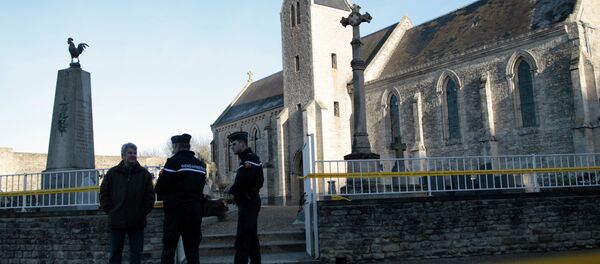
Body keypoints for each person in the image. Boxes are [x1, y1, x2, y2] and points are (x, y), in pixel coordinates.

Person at [100, 142, 155, 264]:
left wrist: (142, 212)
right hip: (117, 220)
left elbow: (150, 197)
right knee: (115, 253)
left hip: (137, 221)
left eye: (135, 153)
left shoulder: (144, 174)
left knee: (136, 254)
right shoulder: (112, 173)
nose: (133, 155)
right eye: (130, 153)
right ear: (123, 155)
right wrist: (111, 211)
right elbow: (104, 194)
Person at [155, 133, 206, 264]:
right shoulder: (200, 165)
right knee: (192, 250)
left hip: (176, 211)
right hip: (195, 211)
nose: (173, 150)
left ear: (177, 146)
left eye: (173, 147)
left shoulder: (173, 162)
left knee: (169, 248)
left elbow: (160, 188)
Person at [224, 131, 264, 264]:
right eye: (231, 145)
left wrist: (231, 189)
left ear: (242, 143)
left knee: (242, 238)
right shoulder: (247, 159)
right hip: (248, 201)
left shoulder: (249, 159)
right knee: (251, 237)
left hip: (249, 201)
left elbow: (244, 181)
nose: (232, 147)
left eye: (234, 144)